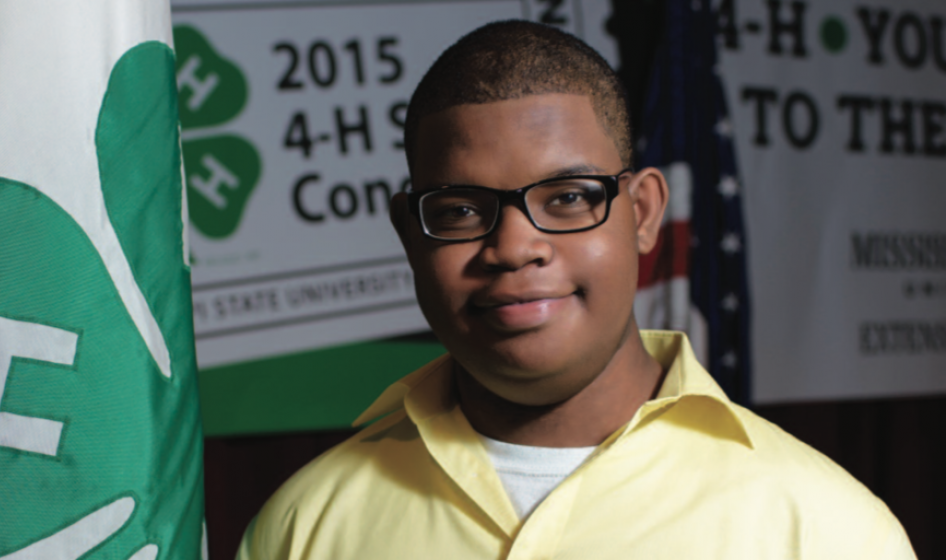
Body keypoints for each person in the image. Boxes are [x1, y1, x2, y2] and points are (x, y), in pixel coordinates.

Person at [237, 20, 915, 559]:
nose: (512, 247)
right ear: (410, 235)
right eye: (460, 210)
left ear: (644, 214)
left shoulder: (826, 532)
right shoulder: (303, 528)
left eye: (568, 196)